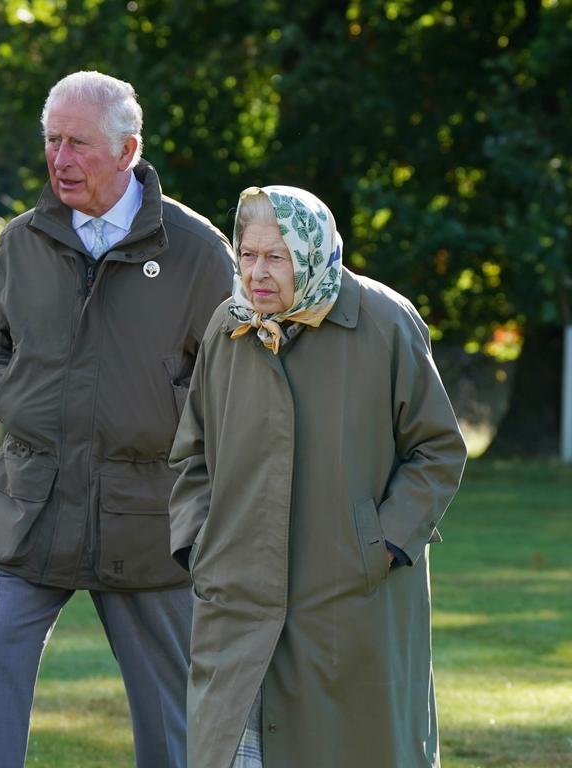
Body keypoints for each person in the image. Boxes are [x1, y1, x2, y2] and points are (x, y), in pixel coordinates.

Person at [0, 70, 234, 768]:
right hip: (29, 504)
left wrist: (173, 420)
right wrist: (9, 399)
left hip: (148, 518)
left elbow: (234, 376)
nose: (60, 159)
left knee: (170, 718)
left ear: (127, 149)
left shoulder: (198, 251)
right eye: (52, 141)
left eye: (78, 142)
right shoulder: (19, 241)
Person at [168, 185, 467, 768]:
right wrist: (199, 542)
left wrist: (378, 546)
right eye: (247, 255)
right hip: (237, 596)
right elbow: (191, 454)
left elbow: (437, 449)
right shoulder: (229, 326)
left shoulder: (382, 322)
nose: (256, 273)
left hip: (348, 599)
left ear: (311, 252)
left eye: (275, 257)